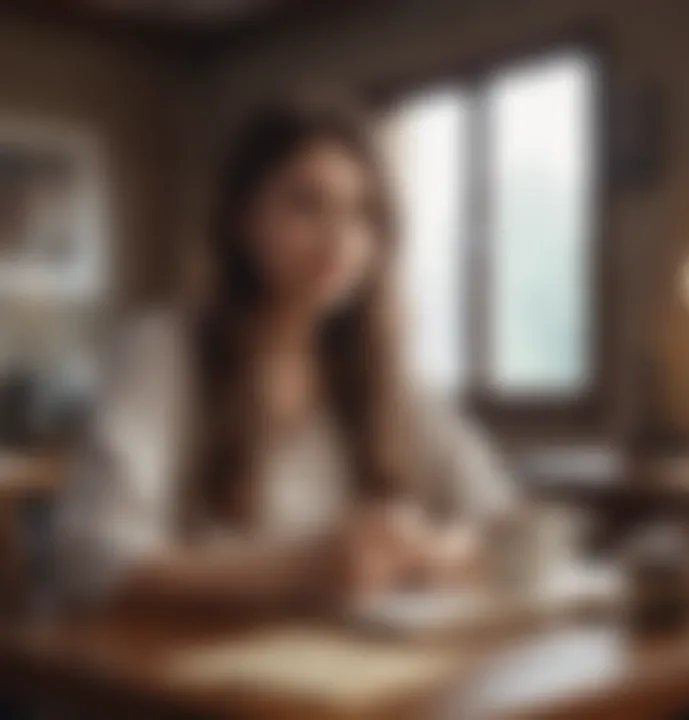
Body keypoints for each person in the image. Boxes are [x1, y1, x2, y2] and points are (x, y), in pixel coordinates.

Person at [55, 93, 519, 613]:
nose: (340, 236)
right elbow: (89, 555)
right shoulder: (164, 350)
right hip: (191, 674)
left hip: (343, 676)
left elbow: (503, 517)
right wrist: (301, 570)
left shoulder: (384, 372)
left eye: (360, 212)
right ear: (242, 219)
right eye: (306, 204)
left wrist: (429, 552)